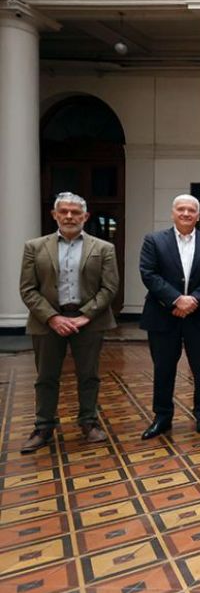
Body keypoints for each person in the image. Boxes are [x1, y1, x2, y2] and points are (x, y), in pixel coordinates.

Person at [19, 192, 119, 453]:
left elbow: (109, 287)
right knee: (46, 377)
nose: (69, 216)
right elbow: (28, 289)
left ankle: (88, 422)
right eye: (64, 211)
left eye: (76, 212)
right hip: (47, 322)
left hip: (89, 321)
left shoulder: (103, 248)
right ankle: (43, 427)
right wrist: (53, 318)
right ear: (54, 215)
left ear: (85, 217)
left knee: (89, 375)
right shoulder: (35, 247)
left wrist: (85, 315)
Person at [139, 194, 200, 439]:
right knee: (163, 368)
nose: (186, 214)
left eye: (191, 210)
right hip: (163, 315)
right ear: (173, 213)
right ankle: (162, 416)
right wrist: (177, 299)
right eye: (181, 209)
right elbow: (148, 273)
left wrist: (193, 300)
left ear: (198, 215)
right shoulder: (154, 240)